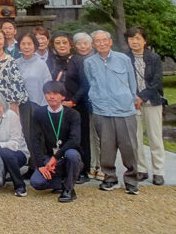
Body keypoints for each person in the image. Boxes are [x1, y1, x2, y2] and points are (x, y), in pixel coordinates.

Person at [83, 30, 140, 194]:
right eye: (97, 41)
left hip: (124, 109)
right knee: (106, 147)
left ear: (110, 42)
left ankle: (131, 180)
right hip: (102, 109)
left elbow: (131, 81)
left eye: (104, 40)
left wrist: (129, 97)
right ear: (93, 44)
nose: (101, 44)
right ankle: (109, 178)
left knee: (129, 146)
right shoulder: (89, 62)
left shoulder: (123, 59)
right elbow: (90, 82)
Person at [30, 81, 83, 202]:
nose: (51, 96)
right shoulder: (39, 113)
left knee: (72, 154)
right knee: (36, 183)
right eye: (48, 93)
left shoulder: (73, 114)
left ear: (63, 96)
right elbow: (35, 140)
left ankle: (69, 190)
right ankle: (64, 181)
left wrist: (56, 157)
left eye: (55, 93)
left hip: (68, 155)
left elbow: (74, 140)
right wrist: (40, 165)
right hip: (50, 158)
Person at [125, 26, 165, 186]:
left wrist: (142, 96)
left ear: (144, 41)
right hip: (132, 102)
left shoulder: (154, 58)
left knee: (155, 137)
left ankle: (159, 171)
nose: (135, 42)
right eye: (131, 38)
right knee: (136, 138)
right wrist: (133, 96)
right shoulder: (125, 58)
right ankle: (141, 169)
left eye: (138, 38)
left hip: (152, 101)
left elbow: (156, 81)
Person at [65, 31, 96, 183]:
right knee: (72, 136)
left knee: (83, 138)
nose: (82, 46)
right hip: (69, 104)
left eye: (85, 43)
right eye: (79, 43)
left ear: (91, 45)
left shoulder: (88, 60)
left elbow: (85, 85)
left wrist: (74, 100)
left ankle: (84, 170)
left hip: (81, 104)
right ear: (74, 46)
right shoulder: (74, 59)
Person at [17, 31, 52, 157]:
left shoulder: (41, 64)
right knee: (25, 135)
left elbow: (47, 85)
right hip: (20, 105)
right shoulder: (16, 63)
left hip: (37, 104)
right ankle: (31, 165)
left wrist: (45, 107)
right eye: (23, 44)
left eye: (29, 44)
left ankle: (39, 165)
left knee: (37, 136)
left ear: (35, 45)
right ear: (19, 46)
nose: (26, 47)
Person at [0, 28, 27, 114]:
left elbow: (17, 84)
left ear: (4, 41)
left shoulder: (10, 61)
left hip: (7, 105)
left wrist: (14, 105)